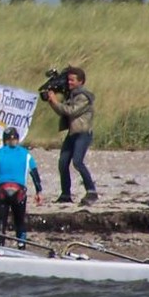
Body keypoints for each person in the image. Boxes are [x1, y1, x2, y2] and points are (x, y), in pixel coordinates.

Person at [45, 66, 98, 206]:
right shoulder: (72, 95)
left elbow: (70, 111)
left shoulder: (83, 97)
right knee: (63, 162)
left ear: (81, 81)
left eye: (72, 80)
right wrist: (52, 102)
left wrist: (55, 101)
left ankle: (91, 191)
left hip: (83, 133)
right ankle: (65, 194)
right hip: (73, 133)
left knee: (77, 162)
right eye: (68, 80)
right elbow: (62, 111)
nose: (69, 83)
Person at [0, 127, 43, 249]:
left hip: (2, 191)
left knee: (1, 222)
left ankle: (0, 246)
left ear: (4, 140)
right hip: (19, 191)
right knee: (20, 221)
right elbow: (34, 173)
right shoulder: (26, 154)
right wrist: (38, 191)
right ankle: (21, 244)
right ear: (17, 139)